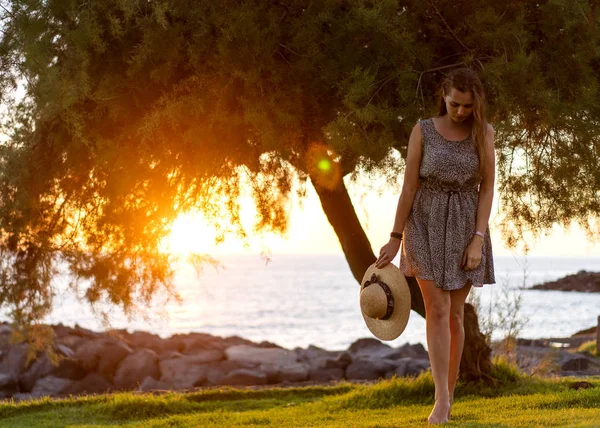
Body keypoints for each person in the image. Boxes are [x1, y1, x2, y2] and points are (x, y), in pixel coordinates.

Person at [374, 67, 496, 425]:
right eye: (455, 104)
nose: (460, 111)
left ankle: (449, 394)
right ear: (444, 94)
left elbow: (487, 189)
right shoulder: (422, 130)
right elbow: (408, 186)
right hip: (423, 222)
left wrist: (477, 240)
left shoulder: (483, 133)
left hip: (464, 224)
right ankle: (440, 399)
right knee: (437, 310)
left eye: (467, 106)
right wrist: (395, 238)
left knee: (456, 315)